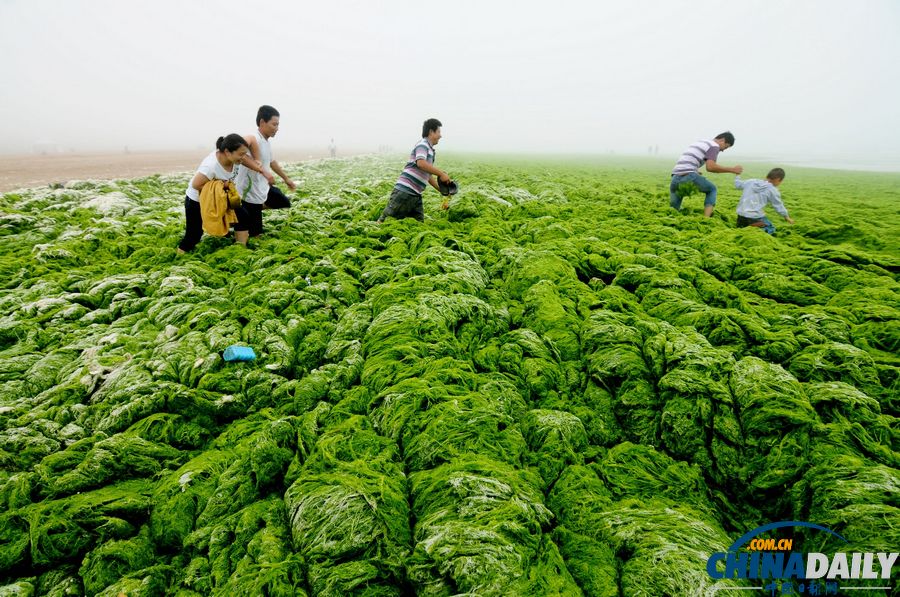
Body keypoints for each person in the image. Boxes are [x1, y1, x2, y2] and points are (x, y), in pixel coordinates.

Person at [177, 134, 251, 253]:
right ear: (227, 152)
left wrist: (260, 169)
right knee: (194, 235)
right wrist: (223, 185)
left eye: (245, 154)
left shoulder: (234, 160)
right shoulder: (210, 166)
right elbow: (196, 185)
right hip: (197, 201)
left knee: (242, 216)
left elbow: (245, 161)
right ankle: (179, 256)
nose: (243, 158)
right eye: (241, 154)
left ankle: (241, 250)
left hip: (222, 197)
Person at [234, 105, 296, 238]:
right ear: (262, 122)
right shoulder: (254, 138)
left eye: (278, 125)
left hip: (262, 188)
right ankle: (243, 214)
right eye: (274, 124)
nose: (277, 128)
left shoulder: (266, 142)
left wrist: (286, 179)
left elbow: (272, 162)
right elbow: (240, 155)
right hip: (249, 191)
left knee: (283, 200)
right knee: (256, 235)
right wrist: (263, 172)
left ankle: (249, 212)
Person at [377, 118, 451, 223]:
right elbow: (421, 163)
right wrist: (441, 174)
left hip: (416, 195)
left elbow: (427, 174)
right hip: (405, 192)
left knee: (417, 225)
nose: (440, 135)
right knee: (385, 222)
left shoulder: (430, 150)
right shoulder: (423, 144)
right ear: (431, 132)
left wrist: (442, 190)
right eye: (438, 132)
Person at [670, 132, 743, 217]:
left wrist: (695, 170)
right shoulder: (714, 146)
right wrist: (732, 170)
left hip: (675, 177)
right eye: (725, 147)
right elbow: (710, 167)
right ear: (722, 140)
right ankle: (706, 219)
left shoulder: (701, 142)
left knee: (674, 212)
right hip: (688, 176)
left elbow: (689, 159)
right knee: (712, 189)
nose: (722, 150)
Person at [735, 167, 794, 234]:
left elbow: (737, 185)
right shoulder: (772, 190)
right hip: (755, 217)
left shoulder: (751, 182)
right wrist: (786, 217)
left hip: (741, 215)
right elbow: (778, 205)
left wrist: (737, 175)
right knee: (771, 229)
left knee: (741, 227)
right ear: (778, 179)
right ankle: (752, 228)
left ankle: (744, 227)